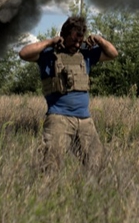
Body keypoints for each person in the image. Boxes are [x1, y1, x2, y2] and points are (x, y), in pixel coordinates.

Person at [19, 15, 118, 168]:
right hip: (59, 118)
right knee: (50, 166)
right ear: (63, 36)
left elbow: (113, 53)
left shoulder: (86, 54)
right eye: (73, 40)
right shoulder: (49, 54)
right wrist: (50, 41)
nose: (77, 44)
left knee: (97, 166)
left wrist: (99, 39)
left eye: (80, 41)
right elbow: (24, 53)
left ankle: (91, 191)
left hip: (85, 120)